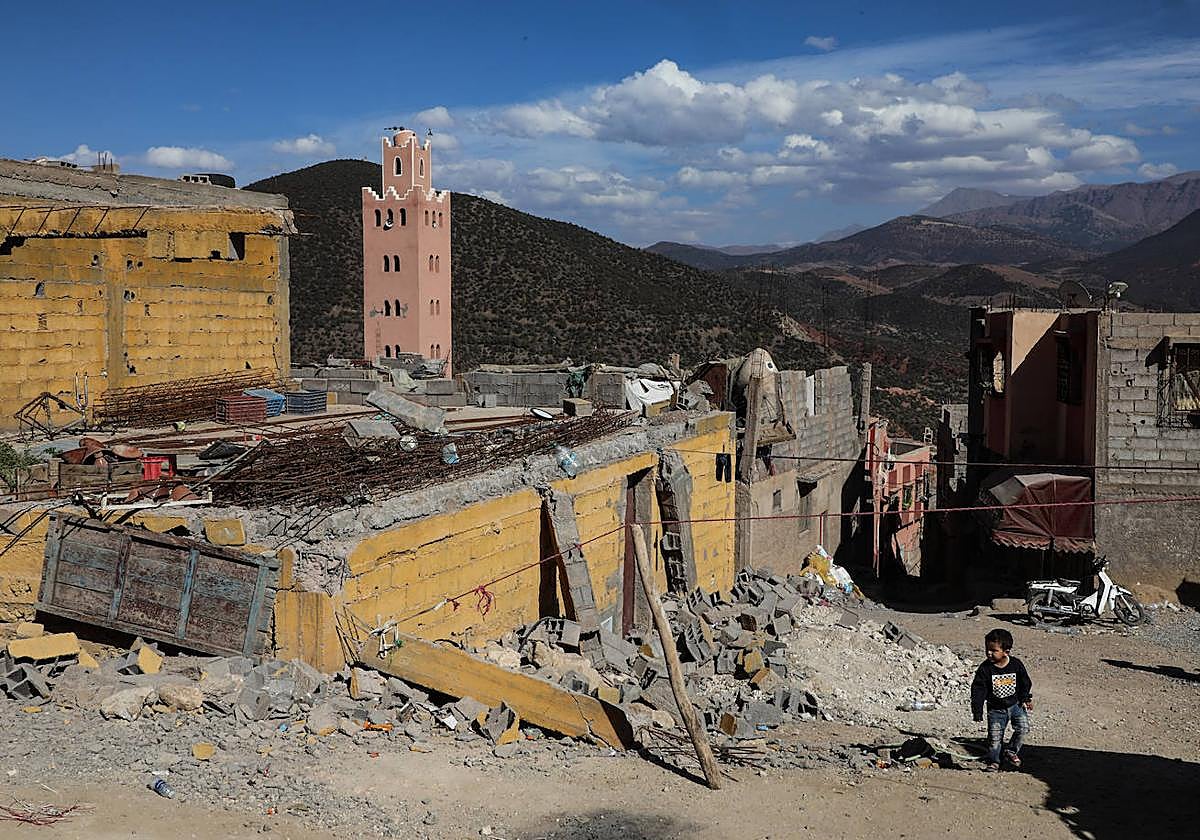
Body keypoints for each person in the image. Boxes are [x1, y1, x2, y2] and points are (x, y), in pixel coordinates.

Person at [970, 627, 1033, 771]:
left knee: (1023, 729)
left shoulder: (1015, 664)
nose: (989, 653)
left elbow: (1025, 682)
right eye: (987, 649)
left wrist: (1026, 698)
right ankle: (994, 761)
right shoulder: (985, 669)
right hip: (995, 710)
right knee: (995, 738)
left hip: (1016, 706)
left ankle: (1011, 751)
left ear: (1006, 651)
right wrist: (977, 710)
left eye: (993, 650)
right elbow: (978, 690)